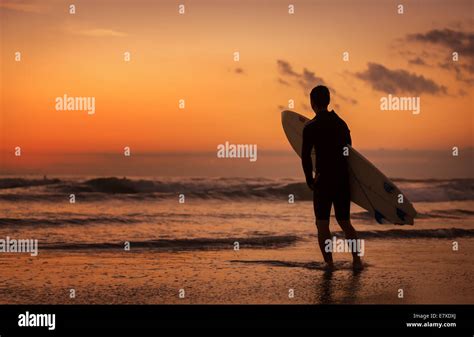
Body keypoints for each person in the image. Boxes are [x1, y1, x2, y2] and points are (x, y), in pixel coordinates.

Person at [301, 85, 363, 270]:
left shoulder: (310, 127)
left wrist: (309, 180)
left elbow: (305, 157)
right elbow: (349, 151)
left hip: (323, 180)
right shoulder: (341, 124)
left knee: (322, 224)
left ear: (312, 102)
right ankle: (357, 261)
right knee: (345, 222)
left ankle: (329, 263)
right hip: (342, 180)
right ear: (328, 101)